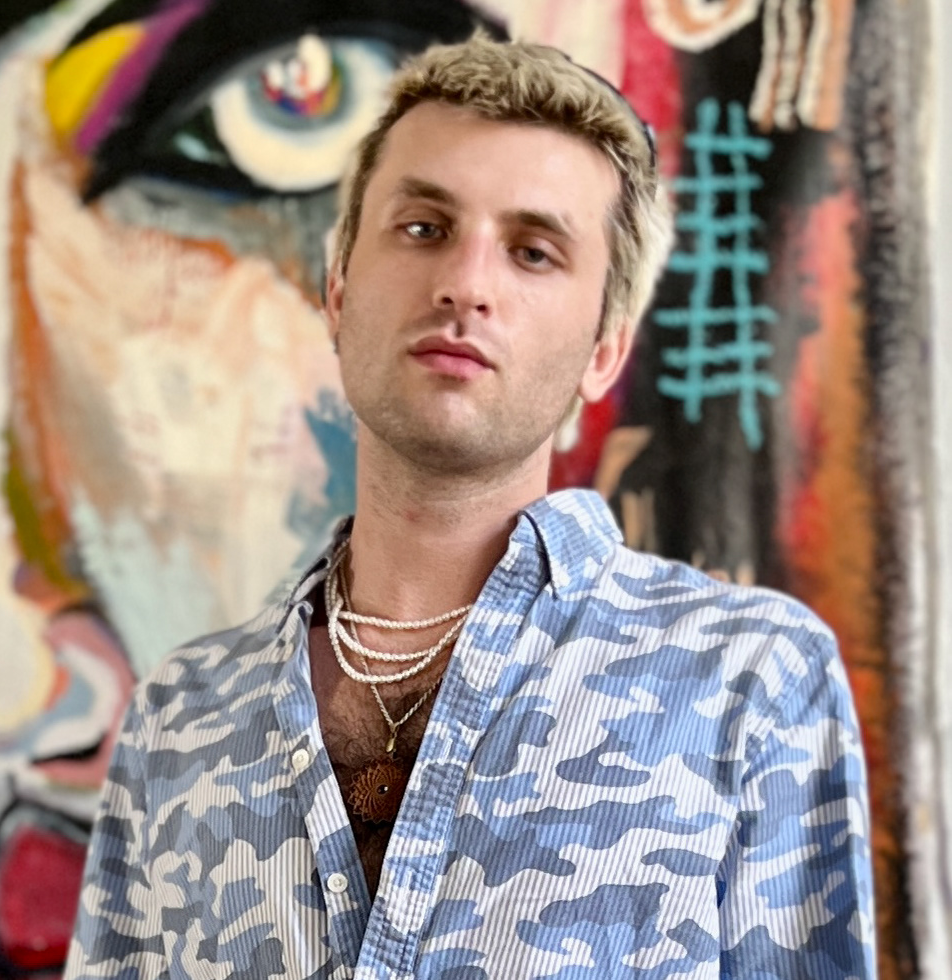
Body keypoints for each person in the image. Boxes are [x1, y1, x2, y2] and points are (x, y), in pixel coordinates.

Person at [63, 34, 875, 980]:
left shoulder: (748, 682)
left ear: (604, 352)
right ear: (338, 294)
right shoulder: (179, 718)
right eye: (422, 228)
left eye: (532, 252)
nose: (466, 285)